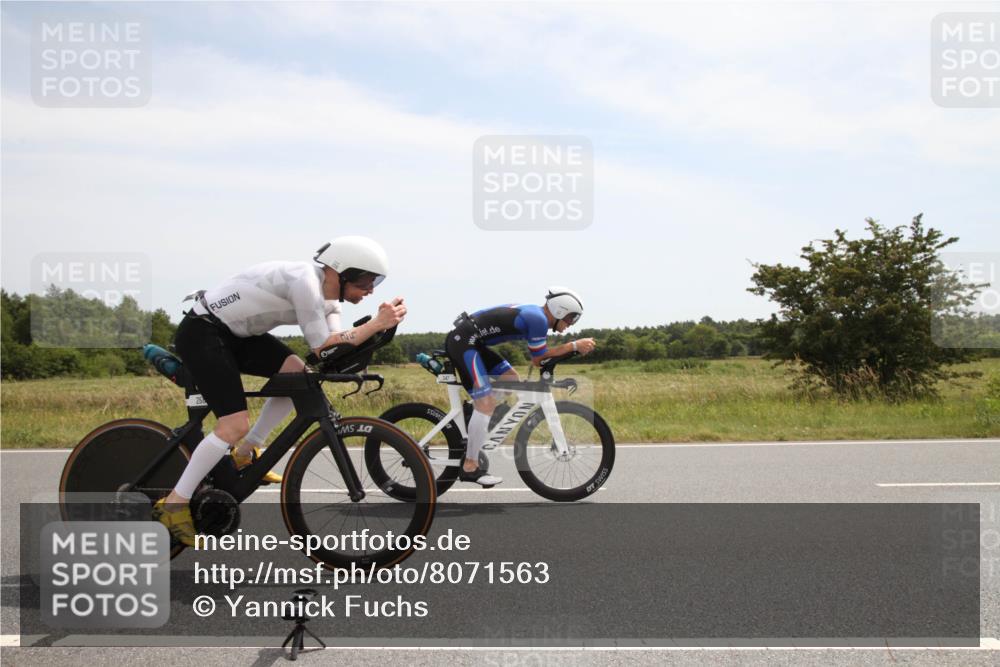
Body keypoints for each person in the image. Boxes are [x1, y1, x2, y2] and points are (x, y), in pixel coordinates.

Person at [152, 236, 406, 546]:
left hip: (236, 334)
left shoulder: (328, 297)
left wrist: (374, 333)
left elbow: (335, 345)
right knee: (233, 424)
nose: (370, 289)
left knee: (295, 374)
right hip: (204, 331)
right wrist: (377, 323)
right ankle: (174, 503)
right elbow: (323, 347)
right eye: (367, 280)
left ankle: (244, 456)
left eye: (375, 282)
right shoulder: (306, 285)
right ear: (342, 272)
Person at [445, 287, 596, 487]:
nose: (571, 324)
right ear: (560, 310)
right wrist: (573, 346)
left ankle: (474, 414)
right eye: (571, 318)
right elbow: (538, 358)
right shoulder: (539, 320)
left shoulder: (538, 316)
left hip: (474, 342)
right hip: (464, 342)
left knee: (511, 378)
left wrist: (570, 349)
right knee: (486, 403)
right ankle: (470, 467)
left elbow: (541, 357)